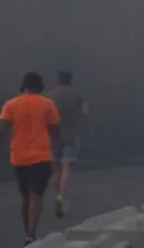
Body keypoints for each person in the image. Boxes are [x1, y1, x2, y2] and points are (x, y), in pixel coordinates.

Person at [0, 72, 61, 247]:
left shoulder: (11, 104)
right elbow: (55, 131)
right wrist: (58, 147)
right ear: (40, 87)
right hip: (41, 156)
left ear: (24, 86)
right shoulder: (47, 105)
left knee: (25, 196)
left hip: (19, 157)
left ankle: (27, 231)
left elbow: (1, 133)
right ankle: (31, 233)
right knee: (37, 196)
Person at [46, 69, 88, 218]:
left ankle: (57, 195)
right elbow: (84, 113)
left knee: (56, 171)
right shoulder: (77, 96)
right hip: (70, 136)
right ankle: (62, 197)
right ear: (71, 81)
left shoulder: (50, 97)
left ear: (58, 80)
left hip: (53, 137)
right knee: (67, 168)